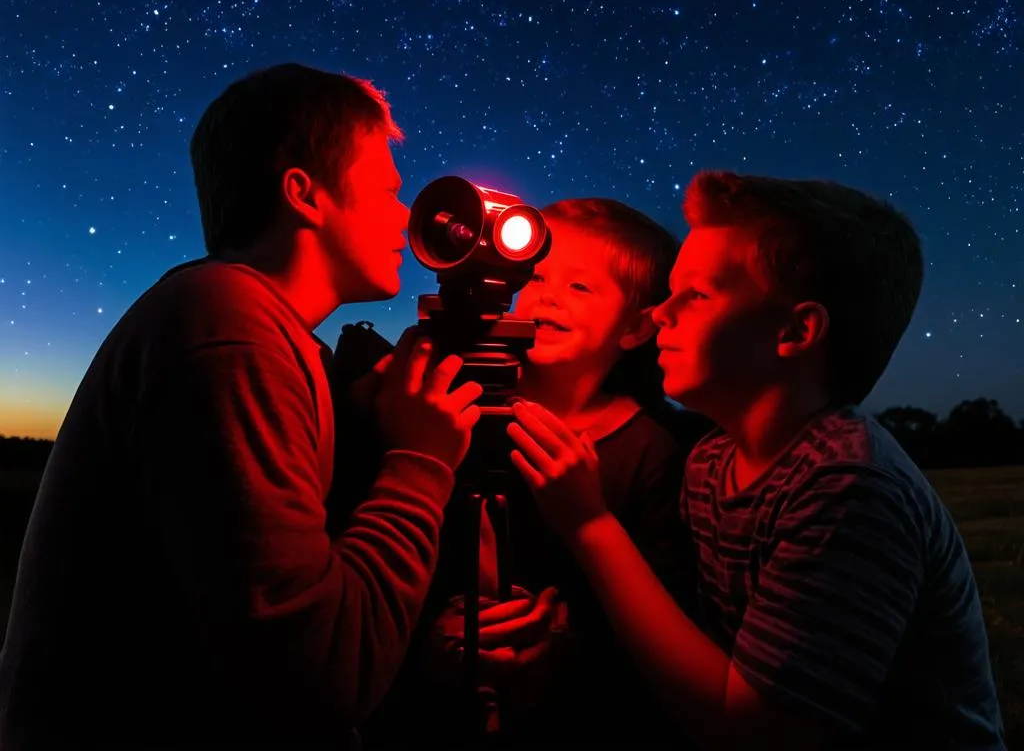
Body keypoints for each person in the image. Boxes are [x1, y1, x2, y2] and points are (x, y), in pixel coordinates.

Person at [0, 63, 483, 751]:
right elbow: (322, 681)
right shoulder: (226, 324)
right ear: (304, 194)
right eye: (386, 190)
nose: (406, 219)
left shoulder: (278, 340)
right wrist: (420, 459)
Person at [507, 171, 1006, 750]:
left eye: (695, 294)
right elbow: (685, 649)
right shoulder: (710, 463)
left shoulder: (847, 488)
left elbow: (755, 735)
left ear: (795, 330)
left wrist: (590, 525)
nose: (661, 314)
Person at [367, 197, 712, 749]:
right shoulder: (446, 409)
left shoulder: (653, 452)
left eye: (580, 287)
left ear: (637, 327)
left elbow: (663, 608)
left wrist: (566, 641)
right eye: (536, 273)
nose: (547, 294)